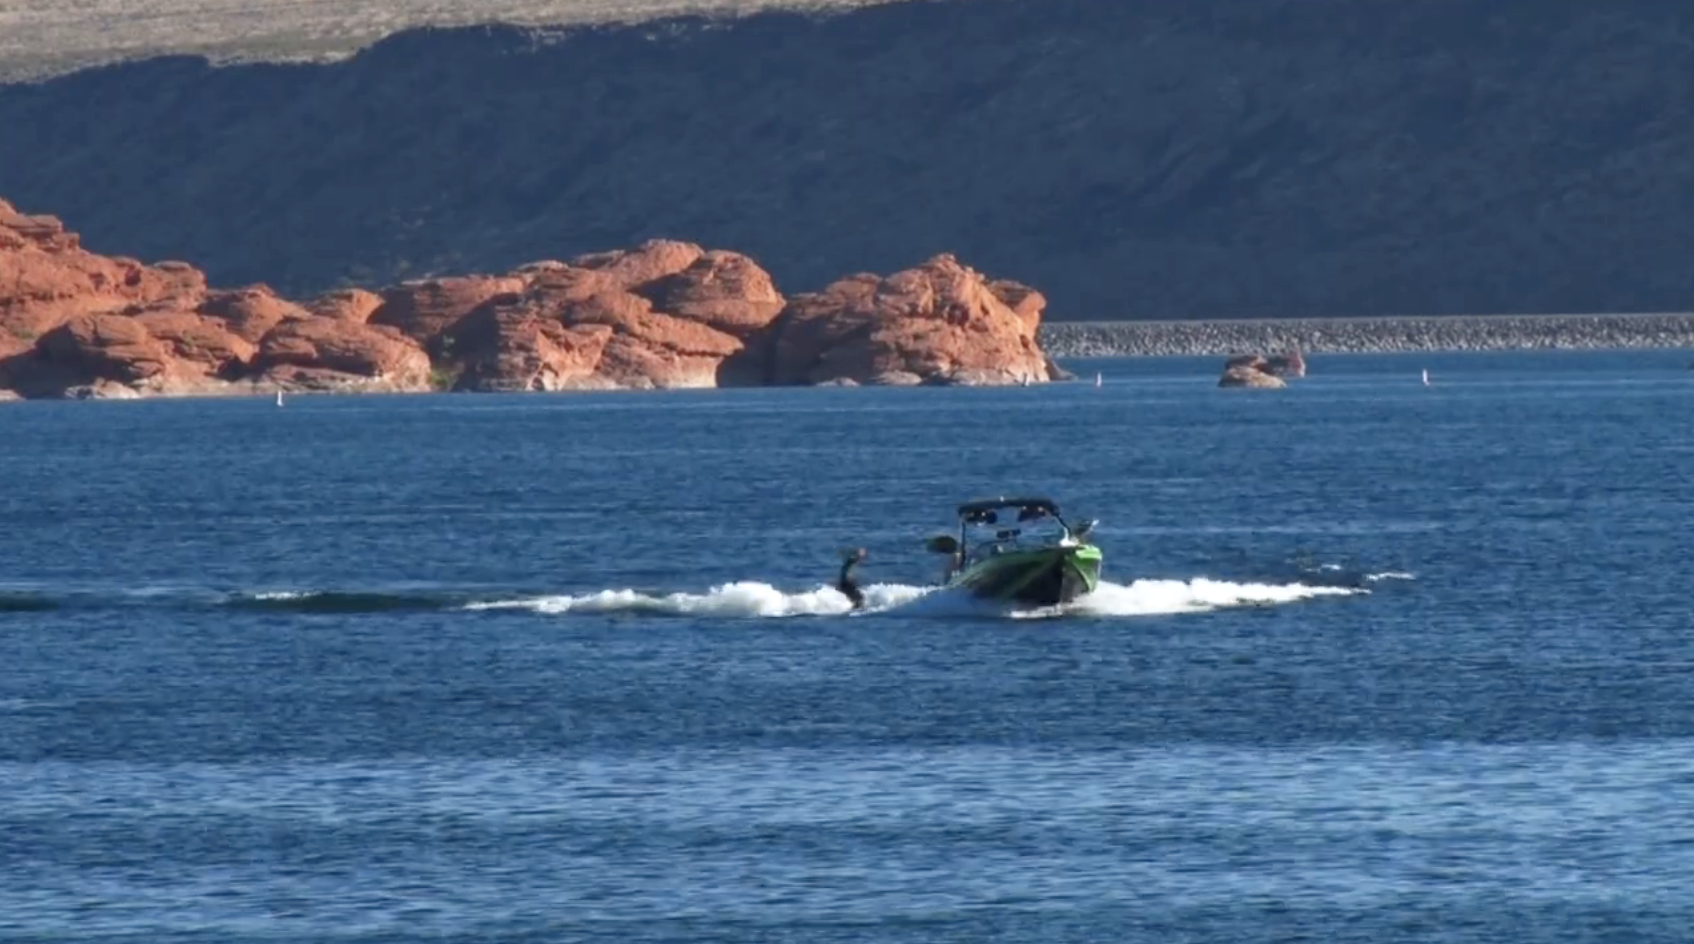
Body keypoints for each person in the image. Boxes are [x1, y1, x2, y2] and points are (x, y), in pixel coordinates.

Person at [836, 546, 868, 610]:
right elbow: (852, 559)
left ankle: (854, 606)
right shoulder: (852, 560)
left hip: (844, 583)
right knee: (860, 597)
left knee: (856, 597)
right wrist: (858, 554)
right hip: (847, 583)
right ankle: (856, 608)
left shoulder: (848, 564)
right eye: (863, 554)